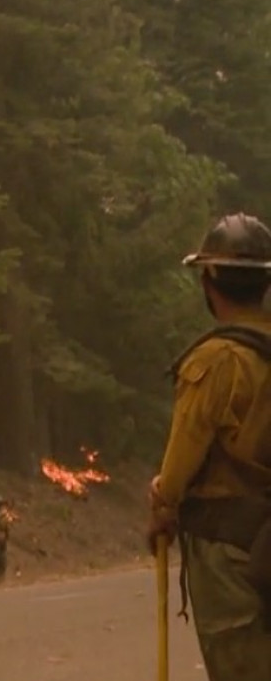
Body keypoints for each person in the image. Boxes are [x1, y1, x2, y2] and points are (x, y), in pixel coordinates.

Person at [149, 212, 271, 681]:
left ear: (211, 279)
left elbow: (178, 470)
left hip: (229, 553)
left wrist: (163, 497)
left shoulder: (216, 360)